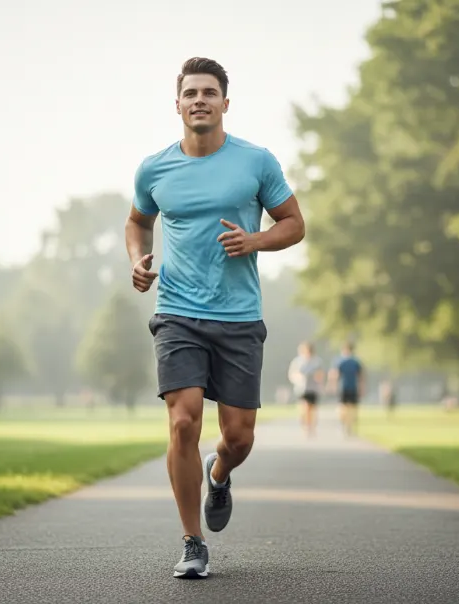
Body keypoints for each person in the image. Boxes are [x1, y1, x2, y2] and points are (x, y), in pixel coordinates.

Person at [124, 57, 305, 579]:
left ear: (226, 103)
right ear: (177, 104)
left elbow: (294, 223)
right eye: (190, 93)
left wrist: (256, 240)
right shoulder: (154, 168)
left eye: (209, 92)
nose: (199, 100)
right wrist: (136, 260)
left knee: (240, 436)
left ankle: (219, 473)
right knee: (183, 422)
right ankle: (191, 541)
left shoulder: (255, 161)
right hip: (178, 312)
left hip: (239, 316)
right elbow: (138, 221)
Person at [327, 342, 365, 436]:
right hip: (347, 387)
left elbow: (334, 375)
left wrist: (332, 385)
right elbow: (361, 376)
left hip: (346, 387)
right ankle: (347, 424)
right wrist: (362, 388)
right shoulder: (355, 362)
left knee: (346, 407)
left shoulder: (343, 361)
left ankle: (346, 424)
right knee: (348, 407)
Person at [288, 342, 325, 437]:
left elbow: (320, 374)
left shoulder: (317, 361)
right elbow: (292, 374)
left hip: (313, 388)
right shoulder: (298, 361)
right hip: (302, 388)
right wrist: (298, 377)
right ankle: (305, 424)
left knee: (312, 408)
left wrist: (319, 381)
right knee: (304, 407)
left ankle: (311, 426)